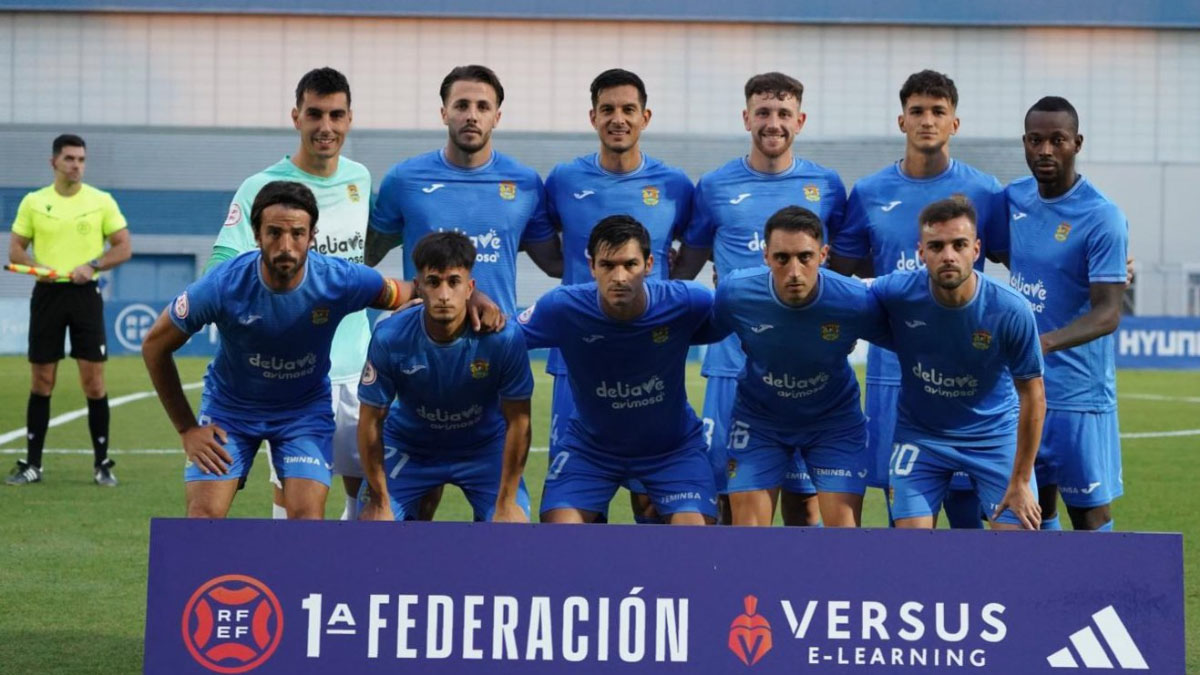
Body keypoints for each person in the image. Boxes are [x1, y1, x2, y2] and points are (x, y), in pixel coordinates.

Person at [140, 181, 421, 519]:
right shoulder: (223, 285)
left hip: (302, 412)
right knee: (203, 518)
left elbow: (411, 291)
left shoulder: (339, 280)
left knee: (306, 520)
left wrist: (472, 297)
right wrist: (187, 428)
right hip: (231, 410)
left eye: (297, 234)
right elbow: (155, 345)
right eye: (274, 233)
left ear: (312, 236)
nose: (286, 246)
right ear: (256, 235)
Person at [827, 70, 1008, 529]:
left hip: (970, 377)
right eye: (917, 112)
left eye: (938, 112)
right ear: (901, 121)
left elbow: (1017, 256)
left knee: (968, 514)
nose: (927, 120)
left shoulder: (985, 191)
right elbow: (841, 275)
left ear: (955, 123)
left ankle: (969, 601)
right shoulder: (869, 192)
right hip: (895, 375)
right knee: (904, 515)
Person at [673, 72, 847, 525]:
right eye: (764, 112)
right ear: (746, 117)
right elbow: (685, 267)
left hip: (807, 368)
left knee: (804, 503)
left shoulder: (827, 185)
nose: (774, 123)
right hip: (732, 365)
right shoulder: (713, 186)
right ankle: (731, 591)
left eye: (784, 113)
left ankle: (796, 592)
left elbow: (840, 270)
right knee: (729, 497)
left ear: (800, 120)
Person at [206, 67, 372, 520]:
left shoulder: (362, 179)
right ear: (295, 116)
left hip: (357, 369)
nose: (326, 127)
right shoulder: (260, 187)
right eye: (315, 114)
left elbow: (364, 261)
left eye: (336, 115)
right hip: (289, 381)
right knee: (295, 498)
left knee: (370, 489)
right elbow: (220, 269)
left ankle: (352, 582)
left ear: (350, 119)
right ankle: (296, 580)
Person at [542, 68, 694, 523]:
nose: (618, 118)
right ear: (593, 116)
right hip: (578, 357)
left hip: (651, 355)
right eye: (607, 109)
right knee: (577, 500)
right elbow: (551, 255)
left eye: (628, 109)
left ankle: (649, 590)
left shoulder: (675, 185)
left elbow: (686, 256)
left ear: (645, 116)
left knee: (652, 499)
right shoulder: (563, 180)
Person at [510, 216, 728, 525]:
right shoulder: (562, 308)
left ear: (649, 264)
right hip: (591, 450)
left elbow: (738, 314)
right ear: (592, 267)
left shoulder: (688, 302)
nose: (620, 276)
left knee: (692, 535)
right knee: (559, 534)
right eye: (608, 265)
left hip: (672, 450)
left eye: (630, 264)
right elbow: (501, 341)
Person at [871, 196, 1044, 530]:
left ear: (976, 249)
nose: (948, 255)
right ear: (921, 253)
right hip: (922, 437)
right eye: (936, 246)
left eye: (959, 244)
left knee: (1019, 551)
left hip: (994, 437)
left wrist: (1021, 480)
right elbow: (839, 297)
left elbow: (1033, 394)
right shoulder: (895, 293)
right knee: (910, 551)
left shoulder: (1010, 309)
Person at [714, 206, 889, 527]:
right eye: (782, 258)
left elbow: (905, 340)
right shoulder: (735, 292)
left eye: (805, 257)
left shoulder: (854, 300)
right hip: (760, 421)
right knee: (746, 537)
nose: (794, 271)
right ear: (766, 256)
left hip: (834, 423)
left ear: (823, 254)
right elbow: (704, 329)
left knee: (843, 540)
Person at [1004, 96, 1128, 531]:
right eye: (1036, 140)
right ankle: (1043, 600)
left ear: (1077, 143)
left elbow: (1108, 312)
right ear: (1024, 142)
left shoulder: (1102, 216)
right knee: (1032, 510)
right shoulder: (1014, 198)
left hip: (1079, 394)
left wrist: (1043, 343)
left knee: (1089, 515)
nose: (1045, 151)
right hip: (1023, 391)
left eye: (1057, 140)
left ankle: (1104, 598)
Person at [357, 231, 534, 523]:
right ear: (418, 287)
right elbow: (370, 420)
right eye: (433, 282)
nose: (443, 295)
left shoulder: (503, 339)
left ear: (470, 287)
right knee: (376, 526)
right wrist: (379, 499)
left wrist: (507, 501)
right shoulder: (390, 336)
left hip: (483, 448)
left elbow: (519, 421)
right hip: (410, 446)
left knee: (511, 528)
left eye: (454, 282)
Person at [366, 63, 562, 311]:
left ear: (496, 118)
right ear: (444, 113)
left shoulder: (525, 184)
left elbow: (556, 264)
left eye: (483, 107)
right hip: (426, 340)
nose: (472, 115)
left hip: (498, 339)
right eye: (461, 105)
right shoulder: (403, 180)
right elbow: (366, 256)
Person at [6, 134, 132, 487]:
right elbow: (15, 250)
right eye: (70, 159)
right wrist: (38, 268)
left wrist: (93, 265)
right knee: (42, 381)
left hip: (85, 296)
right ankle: (32, 465)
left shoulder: (100, 201)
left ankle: (102, 464)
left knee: (93, 383)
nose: (76, 165)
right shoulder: (34, 202)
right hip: (47, 296)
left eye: (81, 159)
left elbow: (123, 247)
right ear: (54, 163)